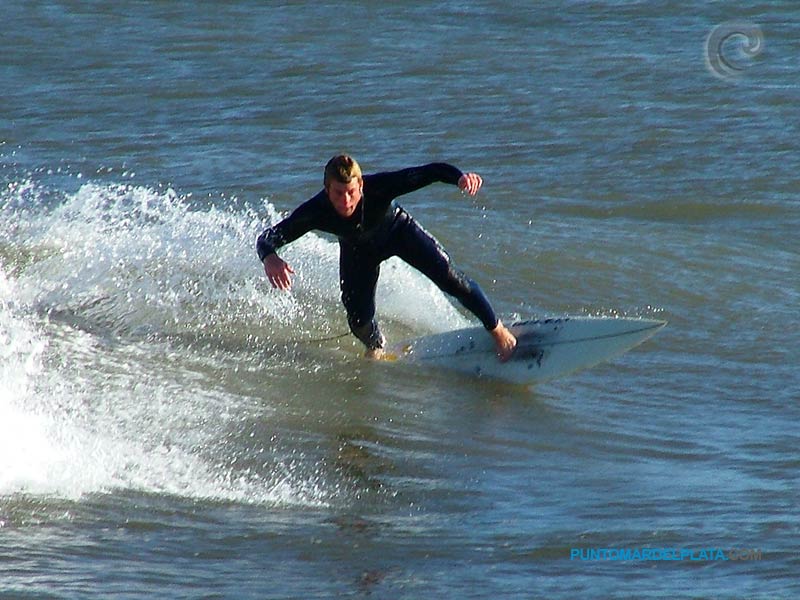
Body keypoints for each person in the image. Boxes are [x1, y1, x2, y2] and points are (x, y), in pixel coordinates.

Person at [256, 155, 517, 361]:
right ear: (327, 190)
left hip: (398, 231)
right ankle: (375, 347)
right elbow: (268, 238)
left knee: (451, 279)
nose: (346, 200)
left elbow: (430, 171)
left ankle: (498, 331)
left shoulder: (379, 187)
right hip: (358, 251)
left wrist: (459, 178)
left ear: (360, 185)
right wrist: (270, 257)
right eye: (338, 193)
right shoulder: (316, 211)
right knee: (358, 319)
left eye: (351, 192)